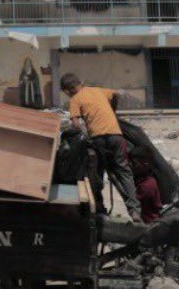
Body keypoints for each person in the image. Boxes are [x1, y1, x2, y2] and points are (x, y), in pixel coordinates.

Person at [60, 74, 141, 218]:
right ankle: (134, 210)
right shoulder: (97, 90)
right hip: (116, 136)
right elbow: (116, 94)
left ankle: (100, 209)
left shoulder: (75, 99)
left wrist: (84, 134)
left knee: (96, 175)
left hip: (98, 139)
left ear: (67, 90)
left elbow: (76, 124)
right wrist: (112, 110)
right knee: (124, 172)